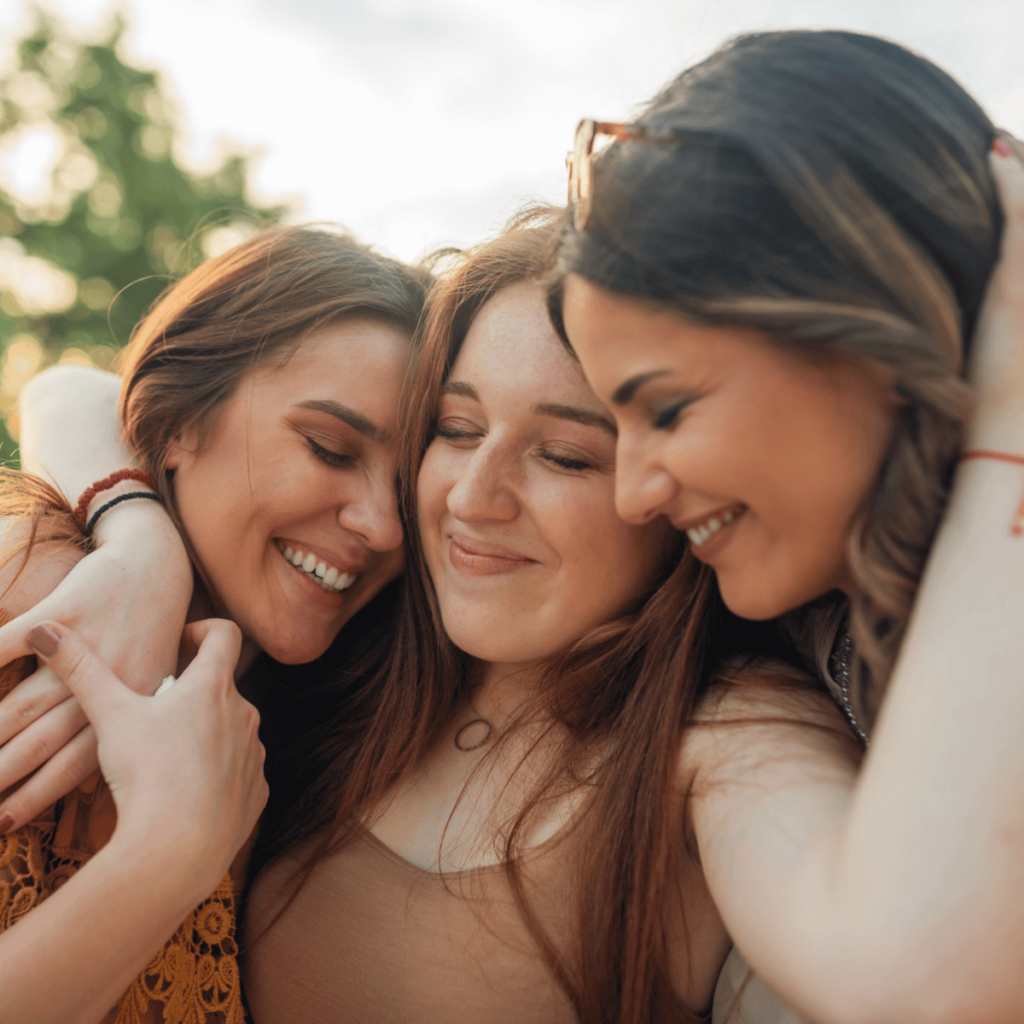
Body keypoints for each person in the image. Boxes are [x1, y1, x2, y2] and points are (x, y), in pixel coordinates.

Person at [555, 30, 1024, 1023]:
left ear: (870, 334)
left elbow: (923, 981)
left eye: (668, 409)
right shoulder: (797, 649)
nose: (631, 494)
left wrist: (1006, 423)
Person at [0, 224, 427, 1023]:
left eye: (407, 490)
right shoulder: (26, 596)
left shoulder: (305, 730)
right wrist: (168, 851)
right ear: (180, 423)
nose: (384, 526)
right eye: (330, 448)